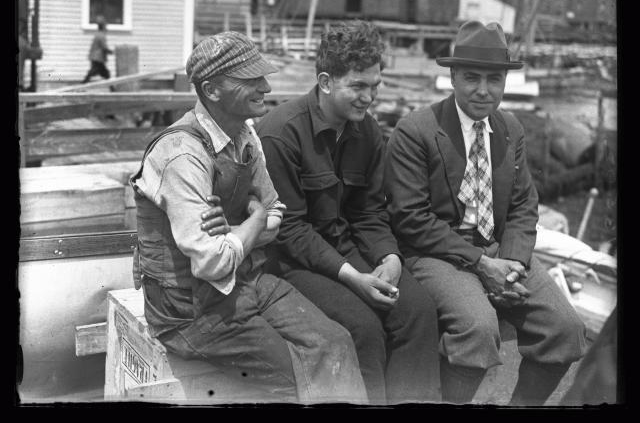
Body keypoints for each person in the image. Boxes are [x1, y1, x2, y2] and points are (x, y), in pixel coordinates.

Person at [129, 31, 368, 404]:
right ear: (212, 90)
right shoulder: (181, 156)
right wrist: (252, 221)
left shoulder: (245, 135)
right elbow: (213, 261)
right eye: (251, 79)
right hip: (190, 313)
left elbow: (277, 215)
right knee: (299, 375)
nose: (266, 86)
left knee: (336, 342)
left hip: (246, 281)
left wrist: (238, 233)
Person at [384, 20, 588, 406]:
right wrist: (481, 264)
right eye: (471, 78)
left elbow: (525, 204)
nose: (483, 90)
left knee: (566, 329)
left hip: (498, 250)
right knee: (478, 329)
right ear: (452, 76)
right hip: (437, 252)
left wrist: (511, 260)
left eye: (494, 79)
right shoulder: (416, 130)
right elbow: (410, 218)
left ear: (505, 81)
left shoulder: (509, 127)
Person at [254, 21, 441, 405]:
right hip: (294, 263)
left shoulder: (368, 132)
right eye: (358, 86)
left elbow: (371, 211)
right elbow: (290, 231)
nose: (369, 97)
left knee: (418, 312)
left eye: (375, 86)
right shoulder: (280, 133)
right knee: (364, 329)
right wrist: (354, 277)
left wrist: (389, 257)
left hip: (349, 251)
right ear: (325, 82)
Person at [82, 15, 113, 83]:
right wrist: (111, 52)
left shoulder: (98, 34)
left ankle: (112, 88)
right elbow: (104, 47)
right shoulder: (101, 35)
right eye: (105, 26)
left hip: (95, 57)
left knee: (104, 73)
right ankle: (82, 84)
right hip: (98, 58)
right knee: (96, 72)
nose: (106, 28)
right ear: (103, 26)